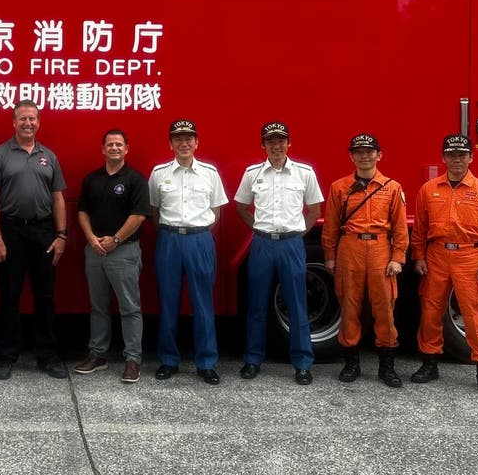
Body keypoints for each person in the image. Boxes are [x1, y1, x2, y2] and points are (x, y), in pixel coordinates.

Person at [410, 134, 478, 395]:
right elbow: (420, 228)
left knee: (475, 315)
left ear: (471, 157)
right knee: (430, 312)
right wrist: (418, 256)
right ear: (443, 157)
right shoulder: (429, 189)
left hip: (469, 258)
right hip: (436, 256)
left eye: (462, 155)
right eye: (451, 155)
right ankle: (429, 363)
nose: (456, 160)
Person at [0, 100, 68, 381]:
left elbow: (58, 198)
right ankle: (7, 356)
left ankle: (48, 356)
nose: (28, 123)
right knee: (9, 296)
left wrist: (61, 235)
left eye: (32, 118)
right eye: (22, 119)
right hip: (11, 231)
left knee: (45, 297)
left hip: (43, 231)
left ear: (39, 122)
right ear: (14, 122)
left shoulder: (50, 156)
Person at [234, 121, 324, 385]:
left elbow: (315, 211)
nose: (276, 146)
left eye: (281, 141)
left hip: (291, 244)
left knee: (297, 305)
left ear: (289, 144)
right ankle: (252, 360)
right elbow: (241, 207)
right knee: (257, 305)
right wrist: (258, 229)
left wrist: (296, 234)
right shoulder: (253, 173)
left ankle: (303, 363)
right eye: (271, 141)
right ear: (263, 145)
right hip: (262, 244)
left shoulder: (304, 173)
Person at [320, 133, 408, 388]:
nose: (364, 155)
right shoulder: (339, 187)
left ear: (379, 155)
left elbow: (400, 228)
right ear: (351, 156)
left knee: (385, 308)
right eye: (358, 151)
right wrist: (329, 256)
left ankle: (387, 366)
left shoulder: (392, 187)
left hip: (381, 248)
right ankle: (351, 363)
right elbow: (331, 227)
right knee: (349, 306)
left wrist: (398, 258)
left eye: (369, 151)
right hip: (350, 248)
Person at [147, 119, 228, 385]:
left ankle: (206, 363)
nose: (184, 143)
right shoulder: (159, 174)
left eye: (189, 138)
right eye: (178, 138)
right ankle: (169, 360)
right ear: (170, 143)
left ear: (196, 142)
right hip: (169, 240)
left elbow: (215, 212)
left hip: (199, 241)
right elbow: (154, 211)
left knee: (204, 305)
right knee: (168, 304)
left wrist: (196, 232)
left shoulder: (210, 173)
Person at [75, 129, 150, 384]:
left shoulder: (135, 180)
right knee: (98, 307)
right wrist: (91, 238)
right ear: (103, 149)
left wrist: (115, 239)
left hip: (124, 251)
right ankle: (98, 355)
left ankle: (132, 360)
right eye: (110, 144)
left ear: (127, 149)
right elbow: (82, 211)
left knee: (130, 308)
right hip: (95, 251)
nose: (114, 148)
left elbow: (139, 215)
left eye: (119, 144)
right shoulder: (92, 179)